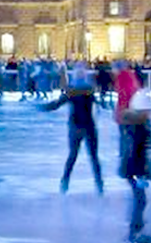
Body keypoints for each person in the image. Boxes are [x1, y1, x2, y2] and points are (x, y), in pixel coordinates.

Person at [39, 63, 103, 195]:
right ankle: (98, 184)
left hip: (78, 126)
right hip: (87, 126)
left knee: (75, 156)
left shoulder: (73, 90)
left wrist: (42, 107)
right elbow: (97, 103)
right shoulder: (88, 89)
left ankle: (66, 182)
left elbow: (56, 104)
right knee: (91, 157)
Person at [119, 88, 151, 243]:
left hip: (134, 168)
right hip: (133, 169)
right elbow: (134, 152)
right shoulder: (138, 128)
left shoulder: (138, 124)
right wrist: (140, 173)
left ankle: (136, 231)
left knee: (140, 200)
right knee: (140, 200)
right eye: (148, 110)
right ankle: (133, 234)